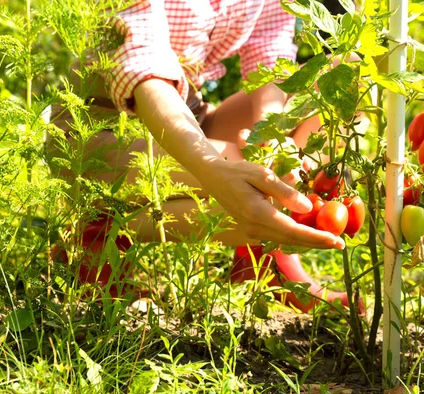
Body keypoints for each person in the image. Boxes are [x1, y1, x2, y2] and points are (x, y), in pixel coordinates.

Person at [47, 0, 359, 312]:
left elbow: (269, 51)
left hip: (189, 115)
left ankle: (263, 258)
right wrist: (216, 168)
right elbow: (145, 72)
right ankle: (99, 229)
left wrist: (270, 135)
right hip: (103, 135)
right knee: (260, 182)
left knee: (342, 76)